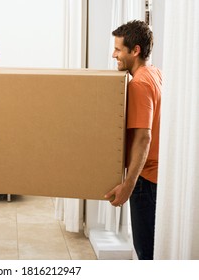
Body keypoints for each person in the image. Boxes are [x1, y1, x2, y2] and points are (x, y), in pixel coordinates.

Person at [104, 20, 162, 260]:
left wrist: (128, 185)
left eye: (118, 49)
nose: (114, 54)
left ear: (135, 50)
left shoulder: (138, 84)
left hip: (145, 180)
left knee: (145, 251)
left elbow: (143, 137)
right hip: (156, 176)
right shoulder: (155, 73)